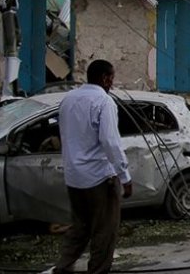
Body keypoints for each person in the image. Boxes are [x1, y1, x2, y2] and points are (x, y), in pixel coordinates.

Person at [52, 60, 132, 274]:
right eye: (111, 78)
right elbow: (110, 141)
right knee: (104, 232)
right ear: (105, 78)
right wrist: (124, 176)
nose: (112, 84)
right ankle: (97, 271)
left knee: (80, 227)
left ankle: (63, 266)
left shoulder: (68, 99)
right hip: (99, 178)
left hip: (74, 177)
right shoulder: (103, 102)